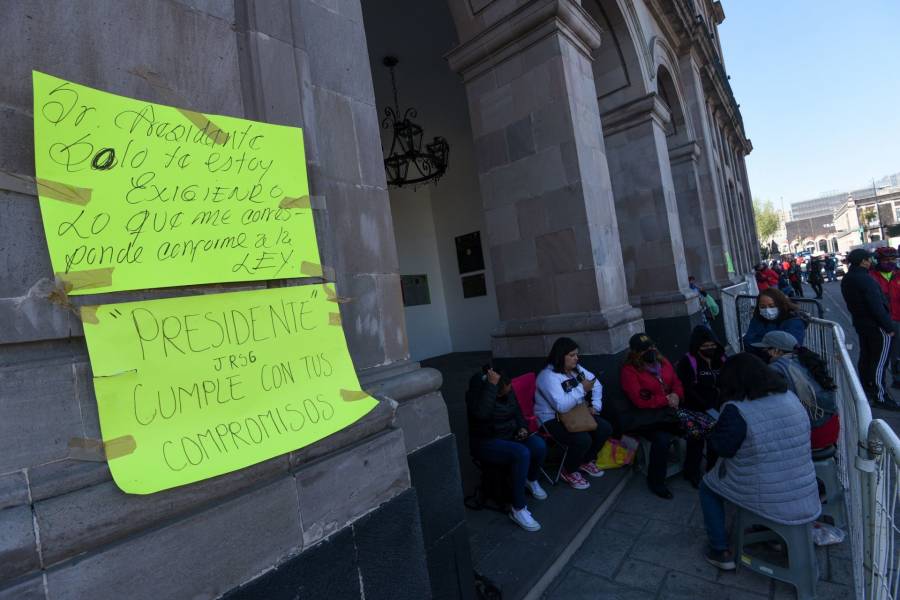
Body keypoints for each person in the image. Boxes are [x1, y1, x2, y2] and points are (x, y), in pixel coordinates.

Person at [699, 353, 820, 571]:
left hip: (768, 494)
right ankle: (771, 535)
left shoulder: (738, 410)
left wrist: (712, 431)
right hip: (804, 490)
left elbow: (723, 448)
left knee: (708, 487)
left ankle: (720, 550)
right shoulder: (790, 397)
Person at [466, 366, 548, 532]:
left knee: (538, 445)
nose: (507, 394)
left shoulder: (507, 391)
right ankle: (518, 509)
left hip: (510, 435)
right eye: (502, 392)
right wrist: (490, 387)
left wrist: (522, 428)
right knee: (521, 453)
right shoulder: (477, 394)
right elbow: (481, 414)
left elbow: (517, 412)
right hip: (487, 441)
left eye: (508, 391)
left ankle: (531, 480)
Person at [534, 337, 613, 490]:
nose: (576, 358)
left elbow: (596, 384)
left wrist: (596, 407)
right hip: (551, 418)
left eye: (576, 354)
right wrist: (581, 389)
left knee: (604, 428)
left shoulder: (575, 369)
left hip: (575, 413)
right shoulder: (548, 376)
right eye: (572, 355)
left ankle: (585, 461)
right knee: (582, 439)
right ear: (560, 355)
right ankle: (569, 470)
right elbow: (561, 406)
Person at [620, 333, 684, 499]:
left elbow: (676, 382)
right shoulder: (629, 371)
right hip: (648, 418)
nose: (650, 350)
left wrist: (676, 395)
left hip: (668, 412)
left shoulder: (663, 362)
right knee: (661, 440)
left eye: (651, 346)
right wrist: (666, 400)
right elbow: (640, 400)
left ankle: (692, 471)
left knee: (694, 427)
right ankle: (656, 482)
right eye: (644, 349)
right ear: (635, 353)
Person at [752, 331, 840, 449]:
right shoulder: (807, 361)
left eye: (765, 350)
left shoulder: (777, 369)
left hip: (813, 433)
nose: (763, 353)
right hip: (831, 427)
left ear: (777, 351)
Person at [842, 248, 900, 409]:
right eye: (869, 259)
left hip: (862, 324)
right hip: (876, 326)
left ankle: (867, 390)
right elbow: (876, 306)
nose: (871, 262)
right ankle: (880, 396)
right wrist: (888, 326)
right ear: (863, 261)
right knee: (879, 362)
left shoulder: (848, 278)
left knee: (867, 358)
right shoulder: (865, 279)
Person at [676, 326, 726, 487]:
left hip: (718, 407)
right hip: (695, 408)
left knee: (715, 440)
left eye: (712, 345)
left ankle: (712, 470)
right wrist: (705, 406)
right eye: (705, 346)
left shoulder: (721, 358)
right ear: (697, 346)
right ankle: (692, 472)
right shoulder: (687, 361)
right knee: (696, 441)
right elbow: (687, 388)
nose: (710, 349)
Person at [742, 288, 808, 358]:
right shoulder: (758, 318)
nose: (767, 310)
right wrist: (768, 348)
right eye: (762, 307)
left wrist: (762, 344)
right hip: (757, 359)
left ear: (781, 305)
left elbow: (790, 347)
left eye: (772, 306)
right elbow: (748, 340)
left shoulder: (794, 321)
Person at [869, 246, 900, 390]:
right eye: (886, 260)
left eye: (893, 259)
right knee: (884, 355)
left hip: (898, 317)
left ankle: (897, 378)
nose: (890, 262)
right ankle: (879, 386)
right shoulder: (871, 276)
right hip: (883, 321)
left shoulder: (898, 273)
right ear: (878, 260)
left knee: (897, 353)